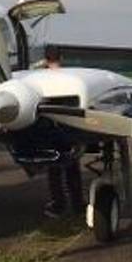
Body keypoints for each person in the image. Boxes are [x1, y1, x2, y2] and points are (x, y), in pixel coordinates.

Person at [40, 46, 83, 218]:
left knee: (54, 169)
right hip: (68, 127)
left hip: (50, 128)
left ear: (45, 59)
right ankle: (78, 204)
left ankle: (59, 204)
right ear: (61, 57)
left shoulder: (41, 78)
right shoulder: (69, 77)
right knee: (72, 167)